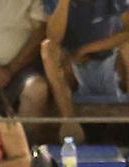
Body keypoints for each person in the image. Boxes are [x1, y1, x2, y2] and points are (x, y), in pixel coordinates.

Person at [40, 0, 129, 142]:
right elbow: (53, 38)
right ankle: (69, 121)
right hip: (74, 68)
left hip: (112, 62)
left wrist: (87, 49)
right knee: (48, 49)